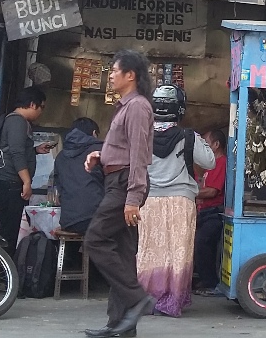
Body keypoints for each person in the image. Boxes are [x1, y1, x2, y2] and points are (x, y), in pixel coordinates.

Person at [83, 50, 155, 338]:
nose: (110, 75)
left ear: (130, 75)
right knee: (124, 255)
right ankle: (121, 326)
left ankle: (138, 298)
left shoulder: (137, 106)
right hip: (118, 178)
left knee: (95, 239)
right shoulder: (126, 106)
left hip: (126, 184)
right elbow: (126, 148)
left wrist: (133, 198)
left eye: (114, 70)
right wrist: (101, 155)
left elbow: (139, 155)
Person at [136, 85, 215, 317]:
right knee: (178, 251)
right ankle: (172, 302)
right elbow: (209, 161)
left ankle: (148, 299)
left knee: (149, 250)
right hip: (182, 201)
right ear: (179, 109)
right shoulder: (188, 136)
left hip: (149, 200)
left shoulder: (142, 134)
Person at [0, 86, 48, 252]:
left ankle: (4, 270)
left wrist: (35, 150)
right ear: (33, 104)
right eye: (42, 107)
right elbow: (16, 152)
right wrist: (27, 181)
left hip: (8, 183)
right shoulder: (17, 121)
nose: (41, 112)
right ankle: (4, 272)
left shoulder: (17, 122)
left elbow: (15, 149)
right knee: (8, 232)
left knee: (9, 230)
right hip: (8, 184)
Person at [52, 117, 104, 235]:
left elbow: (59, 188)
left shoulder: (60, 156)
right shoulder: (99, 151)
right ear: (94, 133)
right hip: (97, 218)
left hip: (69, 221)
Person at [192, 128, 227, 296]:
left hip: (214, 213)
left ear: (216, 145)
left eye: (206, 144)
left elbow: (212, 191)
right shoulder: (210, 165)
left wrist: (188, 191)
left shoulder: (221, 163)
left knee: (203, 244)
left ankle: (211, 283)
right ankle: (204, 279)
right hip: (205, 211)